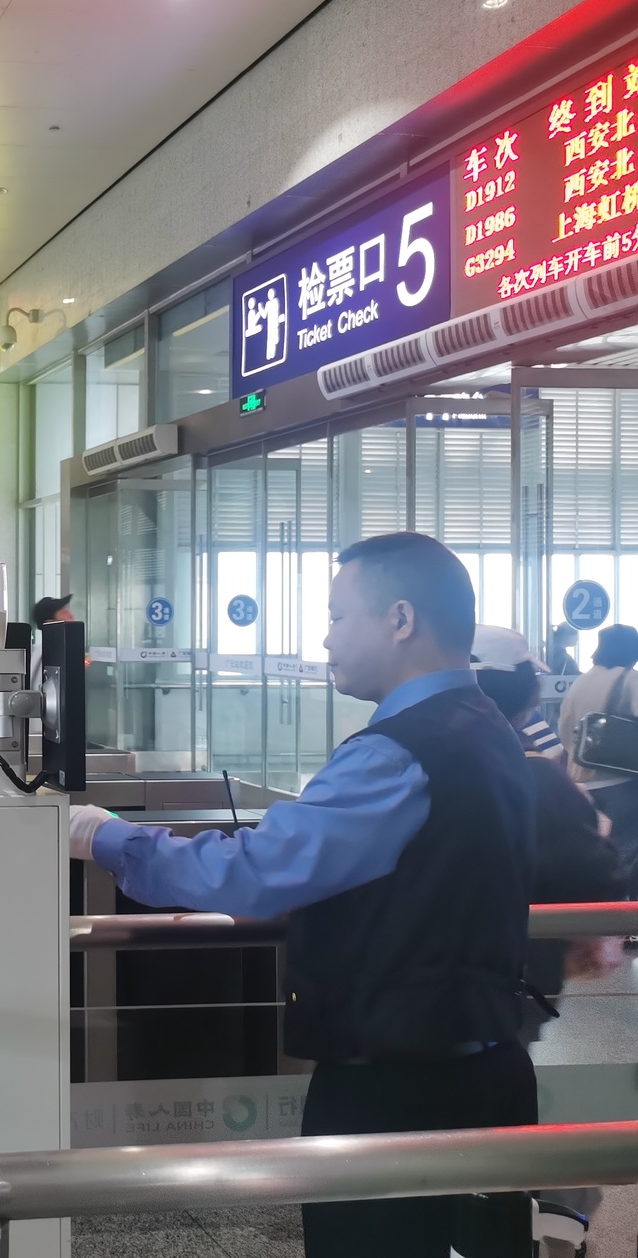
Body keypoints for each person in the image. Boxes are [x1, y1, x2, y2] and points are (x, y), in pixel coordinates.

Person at [69, 533, 535, 1258]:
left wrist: (106, 837)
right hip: (483, 1066)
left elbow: (256, 872)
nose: (325, 639)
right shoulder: (485, 727)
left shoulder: (397, 752)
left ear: (401, 619)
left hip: (398, 1090)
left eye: (338, 616)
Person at [469, 626, 625, 1034]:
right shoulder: (533, 774)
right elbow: (591, 871)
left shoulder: (407, 752)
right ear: (525, 694)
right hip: (507, 981)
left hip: (405, 987)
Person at [559, 623, 638, 886]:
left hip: (581, 783)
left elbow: (565, 731)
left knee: (596, 852)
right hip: (620, 781)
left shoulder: (582, 681)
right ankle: (623, 907)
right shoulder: (631, 679)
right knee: (626, 851)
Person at [31, 593, 75, 684]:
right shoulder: (50, 656)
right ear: (50, 624)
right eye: (64, 613)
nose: (71, 615)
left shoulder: (38, 652)